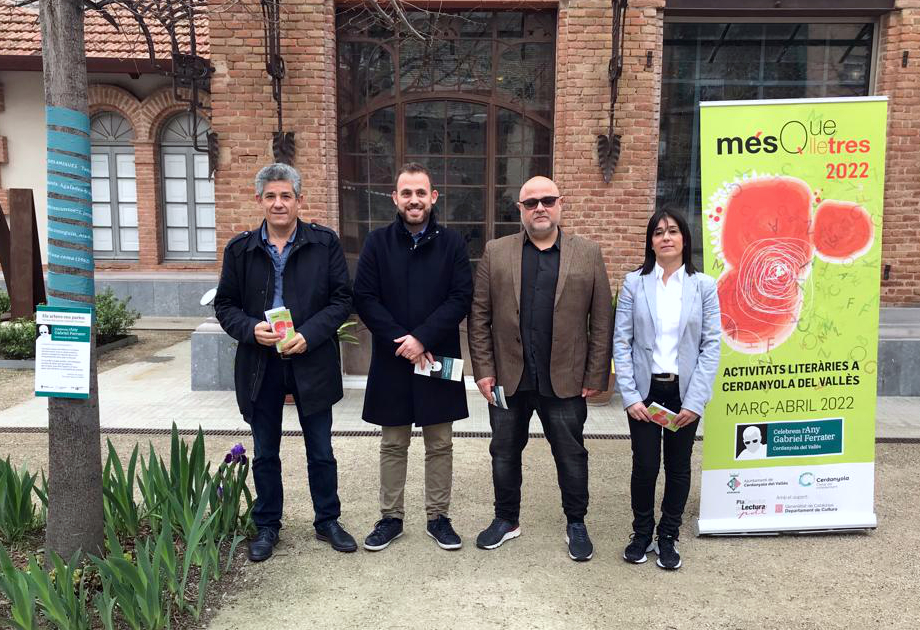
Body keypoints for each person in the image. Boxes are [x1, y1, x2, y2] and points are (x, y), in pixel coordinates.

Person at [214, 163, 357, 562]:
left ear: (299, 200)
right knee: (264, 452)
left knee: (321, 449)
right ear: (259, 199)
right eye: (271, 196)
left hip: (310, 358)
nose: (279, 203)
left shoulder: (323, 243)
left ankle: (327, 520)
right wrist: (248, 329)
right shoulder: (240, 249)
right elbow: (224, 304)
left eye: (286, 196)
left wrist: (308, 335)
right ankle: (267, 526)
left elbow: (342, 300)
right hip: (261, 363)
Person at [468, 176, 612, 562]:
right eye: (531, 203)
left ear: (560, 203)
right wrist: (483, 369)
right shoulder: (496, 252)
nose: (540, 208)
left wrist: (595, 375)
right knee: (503, 452)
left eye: (547, 200)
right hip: (508, 379)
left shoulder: (587, 253)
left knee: (571, 454)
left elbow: (601, 320)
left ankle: (576, 523)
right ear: (520, 210)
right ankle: (506, 519)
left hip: (564, 380)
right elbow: (479, 316)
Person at [353, 162, 473, 552]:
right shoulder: (377, 242)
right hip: (393, 359)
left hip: (436, 356)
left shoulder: (452, 244)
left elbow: (460, 298)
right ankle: (391, 517)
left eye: (421, 193)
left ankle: (438, 517)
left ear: (433, 197)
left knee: (440, 442)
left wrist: (421, 338)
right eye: (406, 193)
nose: (414, 200)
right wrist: (401, 340)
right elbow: (365, 298)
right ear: (395, 198)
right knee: (393, 443)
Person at [613, 207, 721, 570]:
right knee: (644, 466)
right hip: (646, 392)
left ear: (685, 239)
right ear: (651, 242)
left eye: (672, 231)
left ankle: (668, 536)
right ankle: (641, 533)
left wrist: (697, 400)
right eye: (658, 232)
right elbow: (621, 342)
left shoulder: (703, 286)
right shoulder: (634, 283)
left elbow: (711, 345)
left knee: (678, 467)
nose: (666, 237)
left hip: (683, 393)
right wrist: (629, 396)